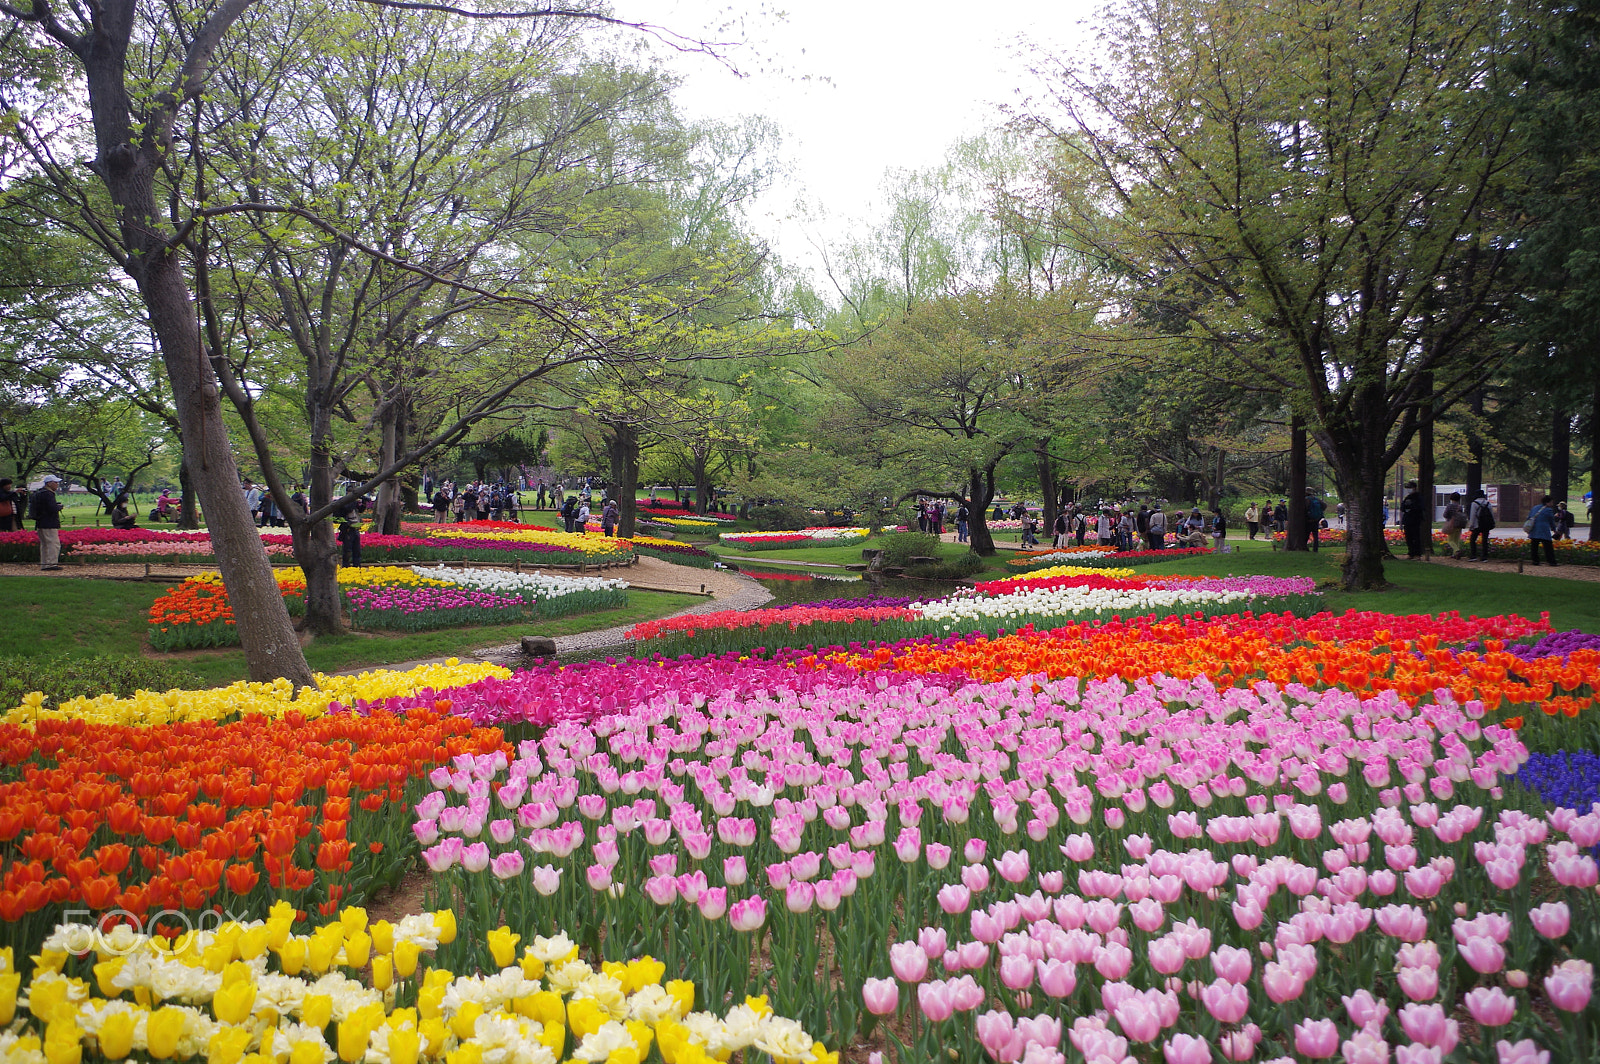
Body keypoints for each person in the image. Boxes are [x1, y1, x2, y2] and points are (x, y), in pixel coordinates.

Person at [32, 475, 64, 570]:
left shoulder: (39, 493)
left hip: (41, 522)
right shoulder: (49, 494)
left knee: (44, 544)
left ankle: (44, 563)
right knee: (53, 543)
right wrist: (58, 507)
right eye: (55, 482)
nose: (57, 484)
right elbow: (51, 508)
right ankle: (51, 564)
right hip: (49, 522)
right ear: (49, 483)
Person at [1526, 494, 1557, 566]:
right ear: (1547, 502)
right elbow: (1551, 521)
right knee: (1548, 546)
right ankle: (1551, 561)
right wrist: (1554, 529)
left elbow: (1529, 517)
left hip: (1534, 529)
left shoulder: (1534, 508)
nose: (1552, 504)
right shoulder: (1548, 510)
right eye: (1551, 502)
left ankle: (1535, 561)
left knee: (1534, 546)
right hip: (1544, 530)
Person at [1399, 480, 1426, 559]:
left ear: (1414, 488)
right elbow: (1402, 507)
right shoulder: (1407, 497)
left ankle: (1417, 553)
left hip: (1415, 520)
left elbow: (1420, 507)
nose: (1408, 489)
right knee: (1408, 537)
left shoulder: (1419, 497)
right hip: (1407, 520)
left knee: (1416, 537)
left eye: (1410, 488)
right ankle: (1411, 553)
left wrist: (1412, 507)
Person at [1466, 489, 1494, 560]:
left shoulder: (1474, 503)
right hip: (1486, 524)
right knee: (1485, 540)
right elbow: (1491, 514)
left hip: (1477, 525)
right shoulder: (1488, 503)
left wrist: (1471, 525)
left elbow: (1472, 515)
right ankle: (1484, 556)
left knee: (1473, 539)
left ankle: (1473, 555)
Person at [1441, 492, 1466, 559]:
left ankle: (1457, 550)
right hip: (1459, 524)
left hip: (1452, 524)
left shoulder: (1450, 506)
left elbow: (1445, 515)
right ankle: (1455, 554)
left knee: (1450, 540)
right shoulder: (1460, 506)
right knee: (1456, 540)